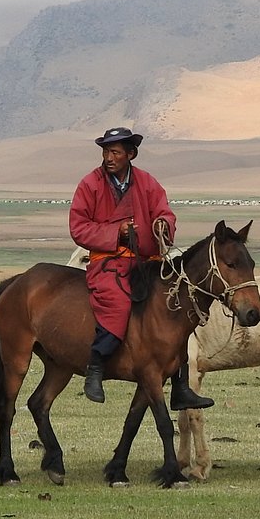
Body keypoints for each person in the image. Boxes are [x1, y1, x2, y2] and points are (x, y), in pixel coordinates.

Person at [69, 126, 213, 410]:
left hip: (147, 262)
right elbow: (78, 227)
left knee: (174, 308)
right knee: (117, 304)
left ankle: (180, 385)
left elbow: (164, 212)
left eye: (115, 152)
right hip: (108, 262)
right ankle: (95, 367)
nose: (109, 158)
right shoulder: (90, 184)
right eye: (106, 152)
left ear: (130, 154)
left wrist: (163, 225)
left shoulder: (147, 182)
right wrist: (116, 232)